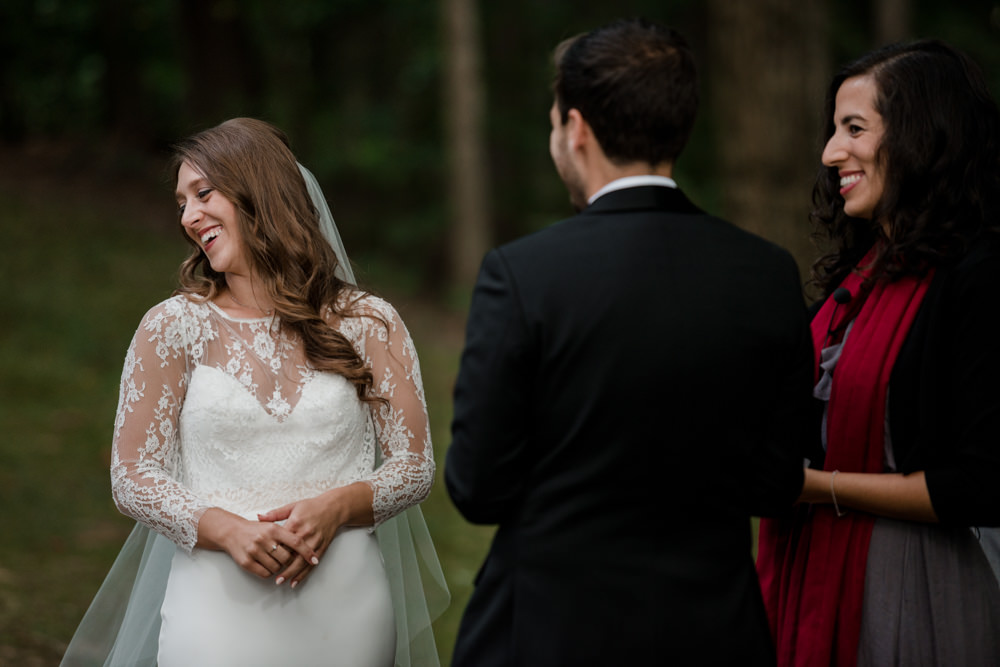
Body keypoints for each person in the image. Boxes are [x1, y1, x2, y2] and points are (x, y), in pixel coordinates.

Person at [445, 18, 815, 666]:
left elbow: (477, 487)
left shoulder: (525, 273)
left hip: (551, 633)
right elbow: (775, 483)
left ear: (577, 128)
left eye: (555, 120)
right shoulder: (766, 273)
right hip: (713, 635)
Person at [61, 117, 448, 667]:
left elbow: (414, 466)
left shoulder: (369, 322)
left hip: (347, 605)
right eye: (181, 203)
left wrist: (336, 508)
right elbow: (132, 476)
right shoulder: (172, 327)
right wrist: (226, 530)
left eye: (203, 193)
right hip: (216, 602)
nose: (189, 217)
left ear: (258, 190)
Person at [756, 40, 1000, 666]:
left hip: (916, 588)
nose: (830, 152)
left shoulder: (978, 276)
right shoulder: (855, 285)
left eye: (854, 128)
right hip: (815, 568)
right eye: (834, 129)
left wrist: (815, 487)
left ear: (923, 137)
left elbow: (982, 483)